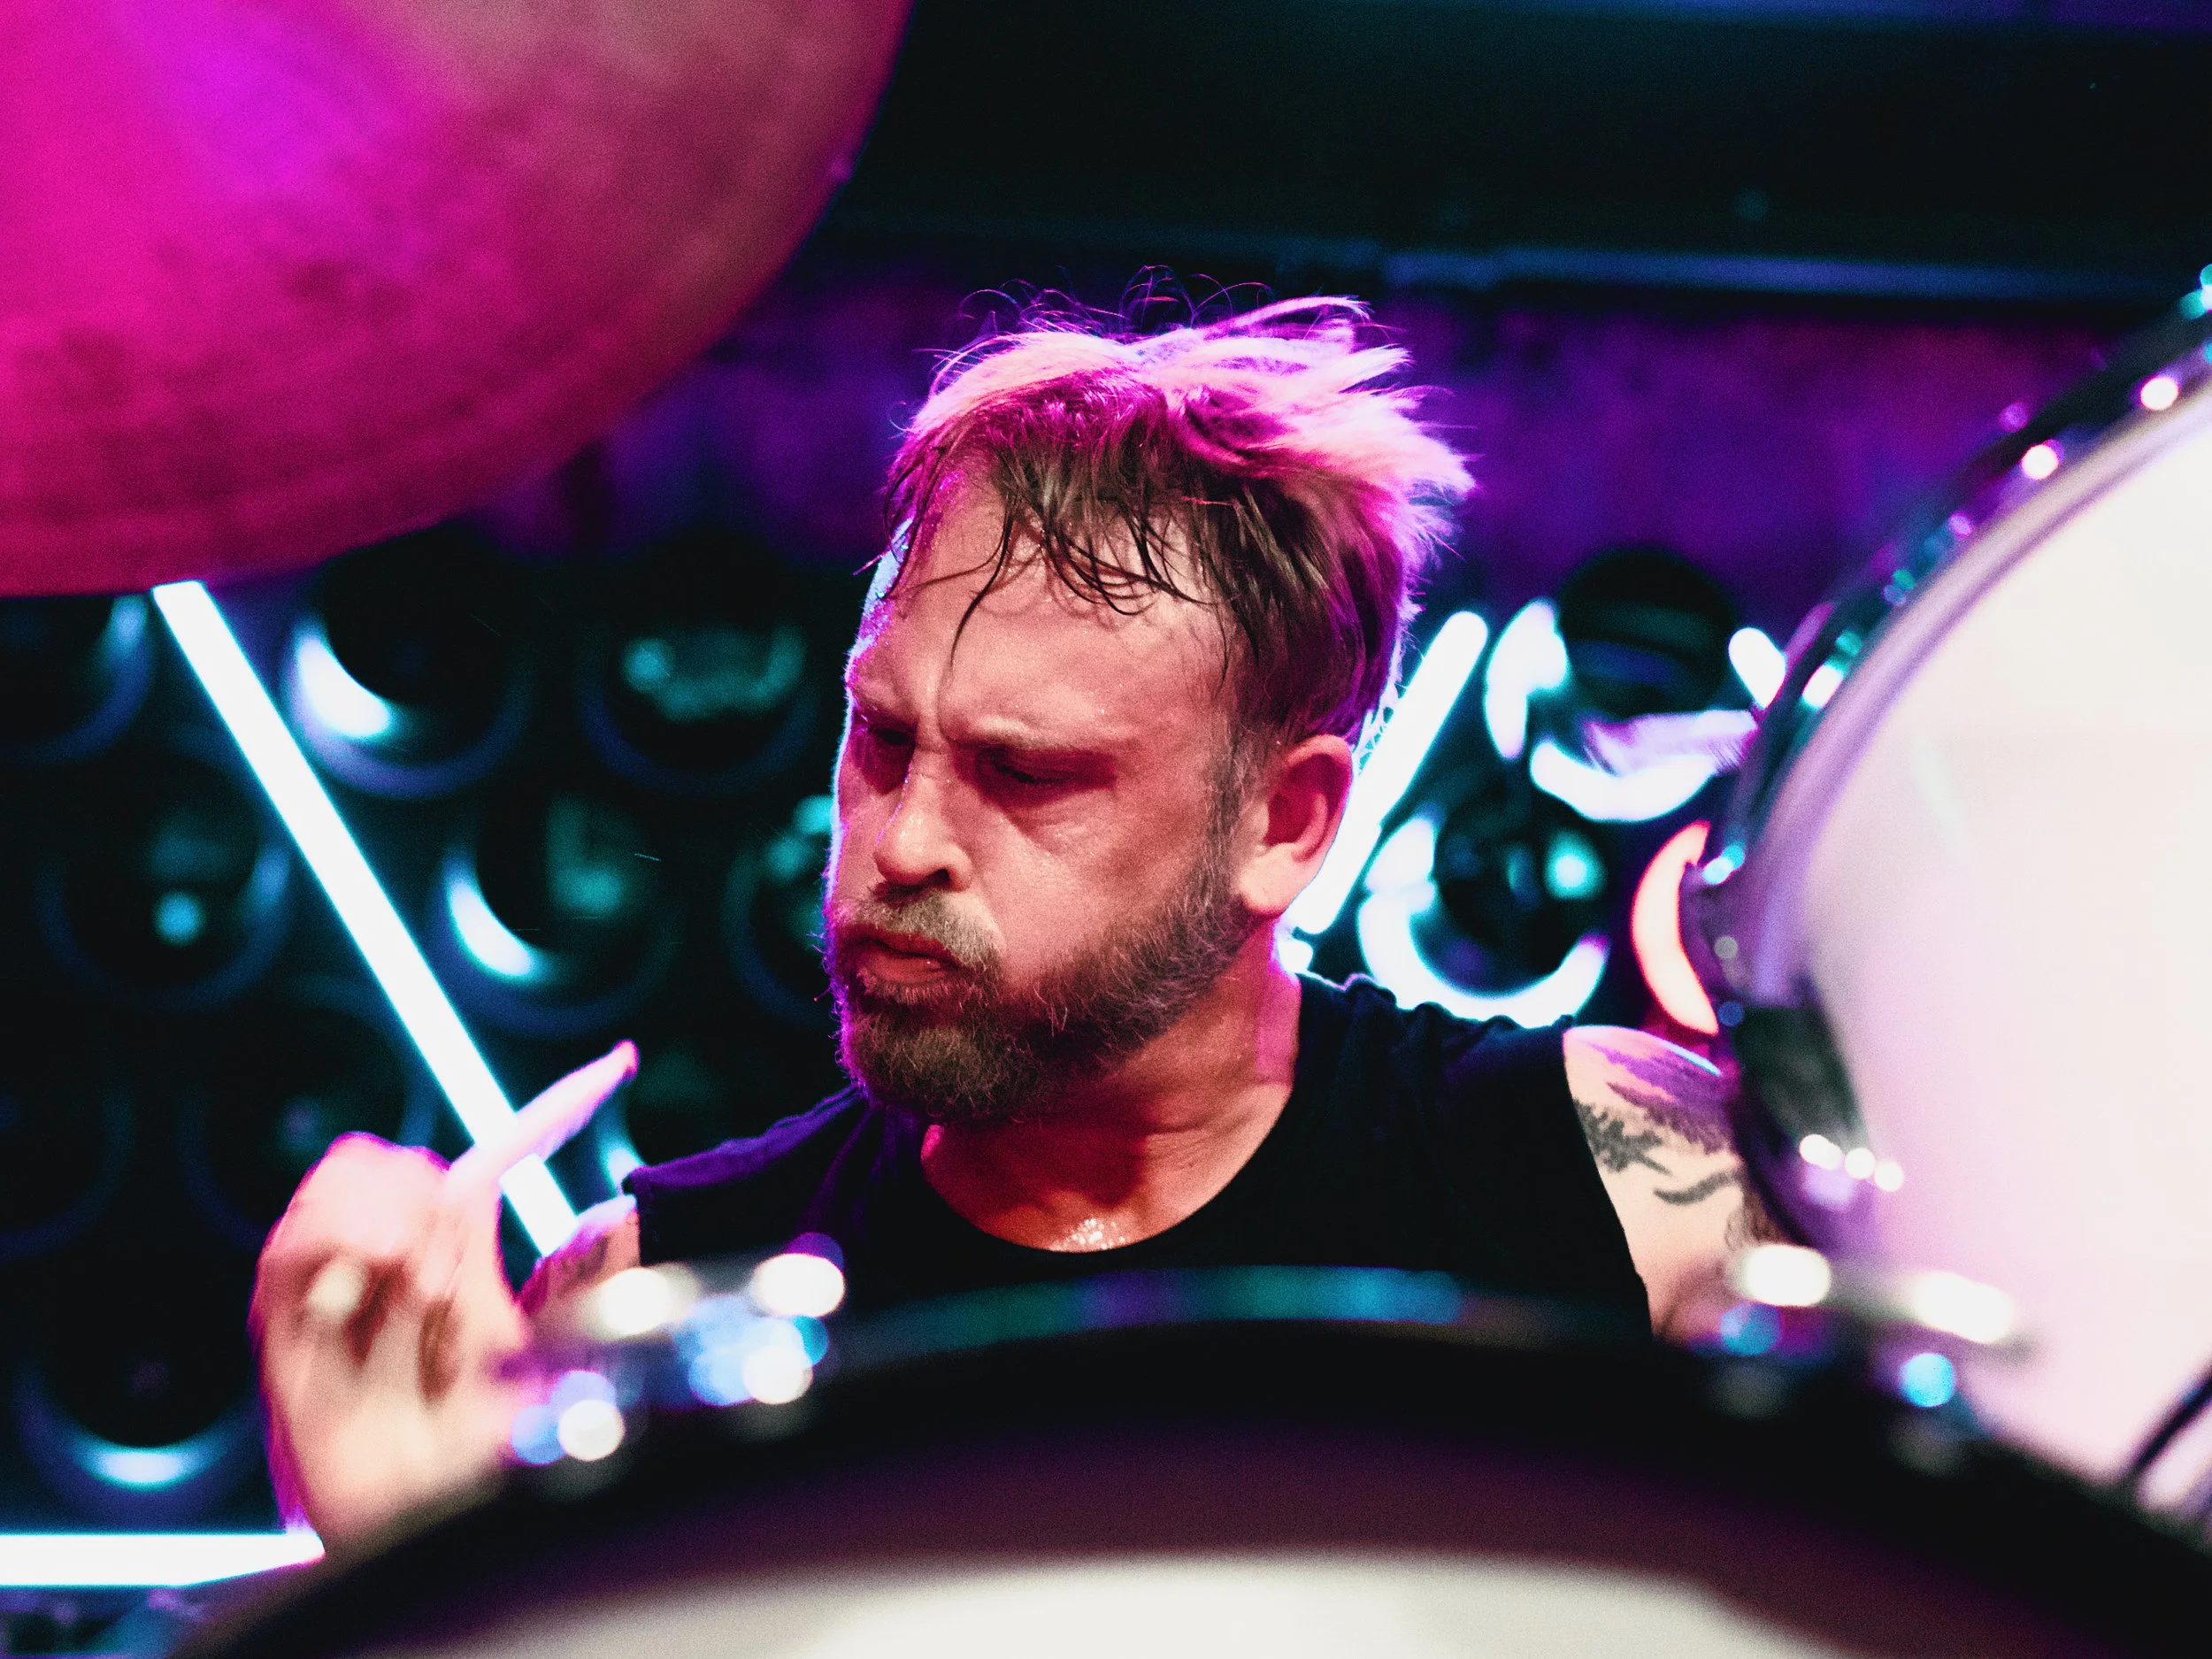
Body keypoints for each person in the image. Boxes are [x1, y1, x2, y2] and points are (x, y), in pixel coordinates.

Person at [253, 296, 1773, 1550]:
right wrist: (404, 1578)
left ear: (1287, 822)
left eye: (1025, 772)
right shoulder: (650, 1305)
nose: (902, 841)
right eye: (880, 736)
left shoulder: (1622, 1184)